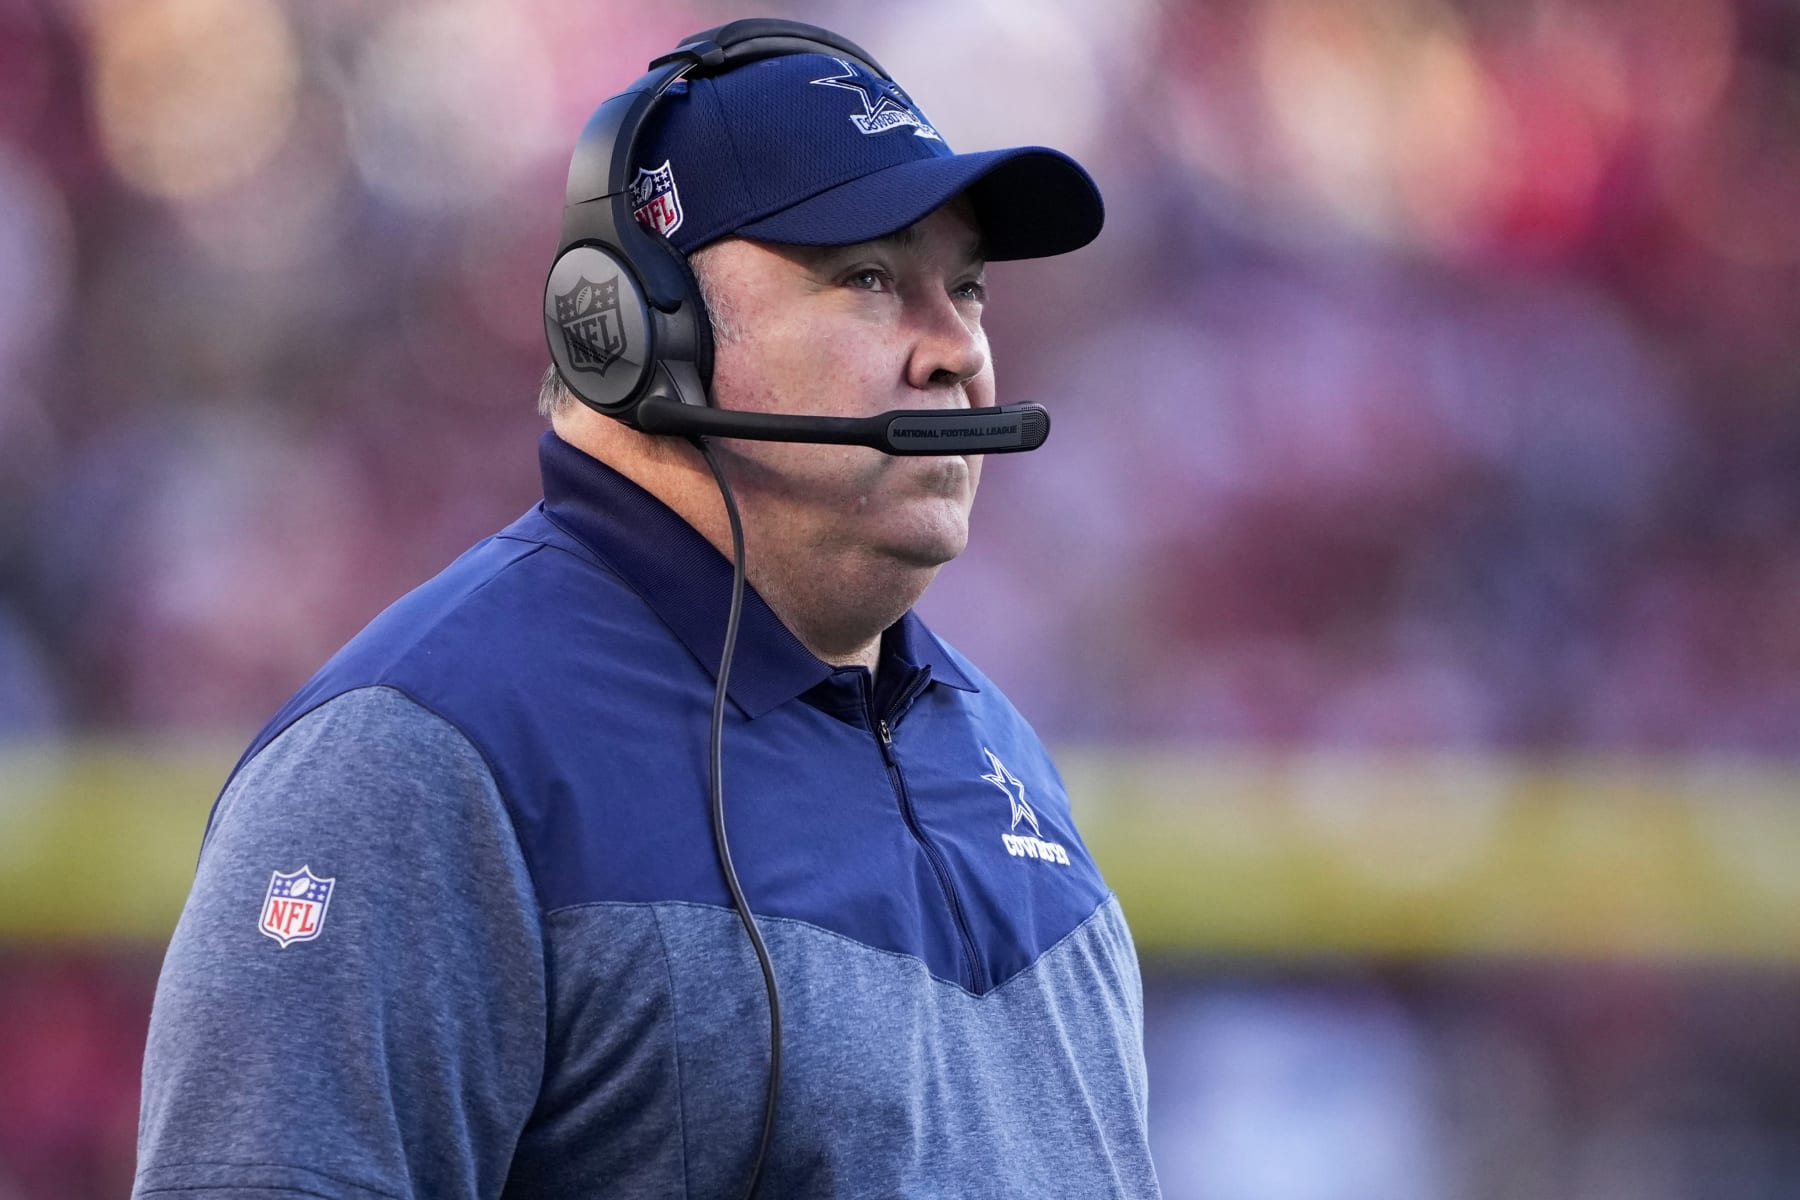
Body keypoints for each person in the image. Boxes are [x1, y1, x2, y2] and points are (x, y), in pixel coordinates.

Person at [135, 19, 1161, 1199]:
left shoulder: (998, 753)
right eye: (871, 279)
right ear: (632, 327)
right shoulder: (413, 760)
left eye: (967, 288)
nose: (959, 352)